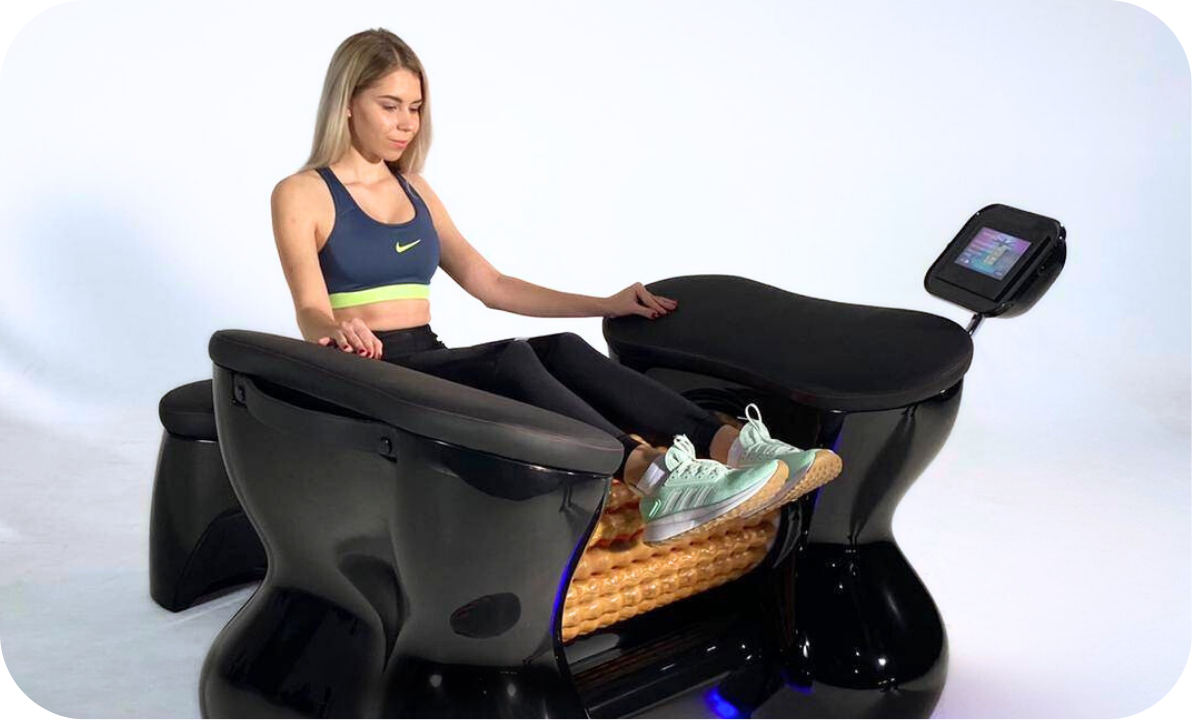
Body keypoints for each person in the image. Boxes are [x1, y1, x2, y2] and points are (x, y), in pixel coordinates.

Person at [270, 28, 842, 545]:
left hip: (427, 361)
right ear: (347, 104)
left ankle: (732, 447)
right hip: (367, 374)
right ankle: (655, 477)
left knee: (563, 349)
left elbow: (490, 283)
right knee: (510, 361)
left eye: (415, 108)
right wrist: (337, 329)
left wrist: (605, 303)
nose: (406, 124)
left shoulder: (414, 188)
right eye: (389, 106)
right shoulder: (302, 193)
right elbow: (309, 309)